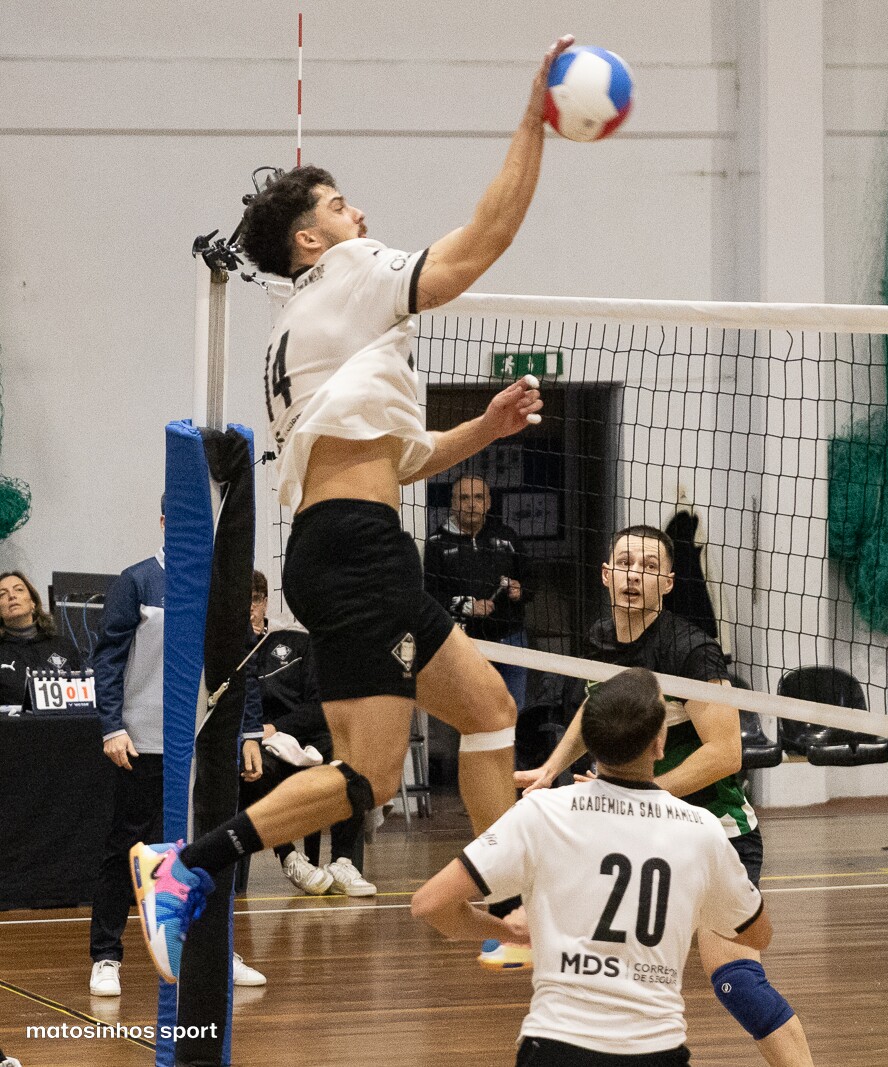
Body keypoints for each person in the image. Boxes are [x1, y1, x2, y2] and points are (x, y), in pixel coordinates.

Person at [130, 34, 578, 982]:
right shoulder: (354, 272)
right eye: (340, 205)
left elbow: (397, 458)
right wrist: (534, 121)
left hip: (340, 542)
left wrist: (487, 427)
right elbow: (483, 241)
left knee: (489, 708)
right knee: (367, 774)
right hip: (359, 551)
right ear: (312, 240)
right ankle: (186, 865)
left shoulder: (300, 329)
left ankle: (512, 903)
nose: (359, 213)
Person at [516, 526, 812, 1067]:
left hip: (714, 833)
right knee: (607, 972)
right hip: (640, 835)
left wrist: (641, 792)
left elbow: (726, 753)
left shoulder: (691, 649)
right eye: (626, 563)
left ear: (669, 583)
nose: (635, 575)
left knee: (736, 981)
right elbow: (595, 702)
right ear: (606, 575)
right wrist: (553, 766)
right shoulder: (601, 637)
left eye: (650, 567)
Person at [413, 667, 773, 1066]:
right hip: (656, 1050)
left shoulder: (541, 812)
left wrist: (508, 931)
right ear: (659, 745)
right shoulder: (701, 829)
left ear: (590, 744)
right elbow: (757, 935)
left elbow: (430, 904)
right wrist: (690, 903)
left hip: (555, 1046)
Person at [92, 506, 265, 997]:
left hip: (209, 741)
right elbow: (108, 658)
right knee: (126, 848)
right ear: (166, 522)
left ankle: (216, 951)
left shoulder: (224, 586)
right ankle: (106, 956)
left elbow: (243, 665)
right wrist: (112, 727)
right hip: (145, 739)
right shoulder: (138, 581)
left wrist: (250, 732)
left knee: (211, 849)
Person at [240, 571, 374, 897]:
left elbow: (319, 707)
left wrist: (278, 727)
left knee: (353, 766)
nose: (250, 608)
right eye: (243, 602)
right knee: (253, 769)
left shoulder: (298, 642)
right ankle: (290, 858)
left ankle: (342, 862)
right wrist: (259, 733)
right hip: (261, 744)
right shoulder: (230, 652)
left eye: (255, 600)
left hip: (306, 735)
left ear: (265, 602)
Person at [425, 473, 534, 708]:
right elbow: (430, 596)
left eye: (478, 497)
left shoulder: (507, 537)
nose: (472, 504)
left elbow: (531, 579)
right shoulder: (436, 543)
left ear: (488, 502)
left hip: (511, 639)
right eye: (464, 498)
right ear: (453, 503)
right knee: (472, 712)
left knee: (513, 711)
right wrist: (468, 606)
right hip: (465, 643)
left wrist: (520, 590)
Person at [0, 571, 83, 708]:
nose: (12, 596)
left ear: (33, 602)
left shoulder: (63, 646)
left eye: (19, 590)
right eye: (2, 594)